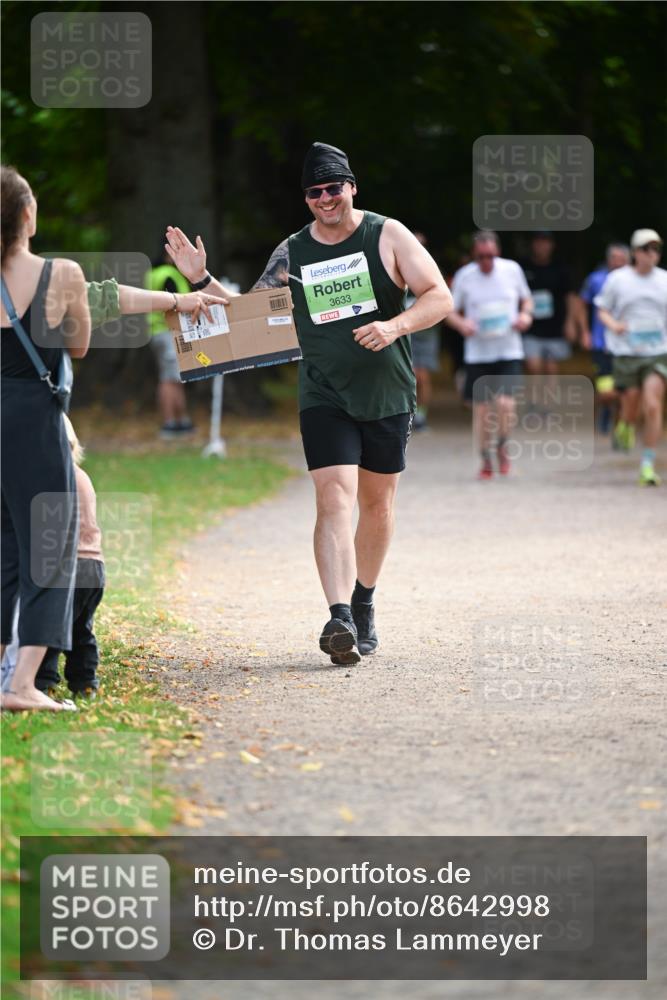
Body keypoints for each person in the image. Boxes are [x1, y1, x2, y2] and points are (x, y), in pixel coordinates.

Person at [165, 141, 452, 664]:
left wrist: (394, 325)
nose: (325, 198)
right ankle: (339, 616)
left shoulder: (387, 234)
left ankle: (364, 601)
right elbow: (250, 318)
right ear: (306, 197)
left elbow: (438, 295)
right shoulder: (293, 251)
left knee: (377, 505)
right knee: (333, 498)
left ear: (351, 187)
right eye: (314, 191)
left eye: (333, 188)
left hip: (387, 389)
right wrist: (201, 280)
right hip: (323, 392)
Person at [1, 165, 90, 712]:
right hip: (32, 418)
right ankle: (21, 684)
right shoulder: (61, 273)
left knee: (4, 547)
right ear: (28, 215)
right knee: (50, 546)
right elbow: (77, 346)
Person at [446, 231, 533, 478]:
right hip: (478, 354)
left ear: (498, 253)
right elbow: (449, 310)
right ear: (475, 255)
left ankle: (503, 446)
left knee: (505, 404)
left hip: (508, 350)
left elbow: (527, 301)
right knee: (483, 411)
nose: (487, 261)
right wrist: (462, 324)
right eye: (482, 256)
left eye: (491, 256)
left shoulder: (511, 270)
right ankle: (485, 458)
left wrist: (525, 316)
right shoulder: (465, 277)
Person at [35, 416, 105, 697]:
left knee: (48, 627)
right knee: (81, 629)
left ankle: (43, 682)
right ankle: (84, 682)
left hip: (67, 566)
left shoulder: (52, 478)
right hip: (95, 567)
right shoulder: (81, 476)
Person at [595, 228, 667, 486]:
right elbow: (601, 309)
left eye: (656, 249)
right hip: (626, 351)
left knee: (653, 403)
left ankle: (647, 464)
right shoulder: (618, 279)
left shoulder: (664, 280)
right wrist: (613, 325)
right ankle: (624, 424)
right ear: (636, 252)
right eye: (647, 249)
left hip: (657, 352)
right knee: (631, 405)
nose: (652, 254)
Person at [576, 243, 633, 440]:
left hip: (629, 343)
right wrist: (585, 332)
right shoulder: (596, 279)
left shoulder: (636, 280)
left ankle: (622, 425)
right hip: (602, 342)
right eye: (614, 258)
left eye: (621, 258)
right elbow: (582, 305)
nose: (617, 262)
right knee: (608, 389)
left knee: (626, 387)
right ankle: (606, 411)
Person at [145, 251, 195, 439]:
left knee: (174, 376)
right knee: (169, 379)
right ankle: (170, 423)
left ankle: (181, 421)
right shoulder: (168, 275)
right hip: (168, 332)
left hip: (155, 332)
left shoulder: (151, 274)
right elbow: (174, 306)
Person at [520, 231, 578, 393]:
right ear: (533, 244)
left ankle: (547, 405)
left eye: (545, 242)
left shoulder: (561, 269)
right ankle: (534, 402)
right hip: (531, 327)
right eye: (538, 242)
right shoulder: (523, 268)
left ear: (552, 245)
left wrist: (571, 322)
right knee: (533, 366)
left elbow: (570, 297)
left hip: (555, 327)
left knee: (551, 368)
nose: (542, 246)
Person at [407, 232, 442, 430]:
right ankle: (409, 413)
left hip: (427, 332)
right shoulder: (398, 265)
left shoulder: (432, 268)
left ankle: (421, 415)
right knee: (410, 374)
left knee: (423, 376)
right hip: (405, 332)